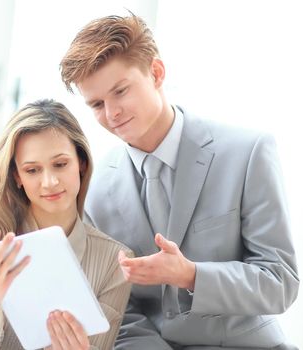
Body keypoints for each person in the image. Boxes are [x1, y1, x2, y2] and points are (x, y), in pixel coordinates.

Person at [60, 13, 300, 349]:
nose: (112, 113)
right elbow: (119, 311)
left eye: (121, 91)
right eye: (97, 104)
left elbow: (280, 283)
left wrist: (189, 275)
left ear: (156, 73)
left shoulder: (247, 152)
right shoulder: (96, 187)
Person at [0, 99, 133, 350]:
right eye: (32, 170)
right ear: (17, 176)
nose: (49, 182)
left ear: (81, 163)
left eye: (60, 164)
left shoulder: (114, 261)